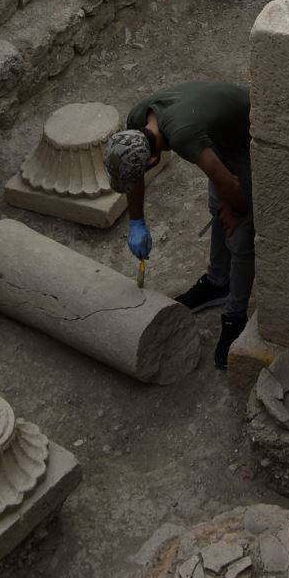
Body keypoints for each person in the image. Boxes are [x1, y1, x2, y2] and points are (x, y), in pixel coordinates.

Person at [104, 79, 253, 369]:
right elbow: (135, 175)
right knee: (216, 207)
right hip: (216, 131)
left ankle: (235, 315)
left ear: (151, 160)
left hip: (247, 133)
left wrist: (236, 210)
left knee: (242, 234)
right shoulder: (137, 121)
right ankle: (217, 283)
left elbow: (229, 182)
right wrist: (137, 222)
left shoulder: (184, 137)